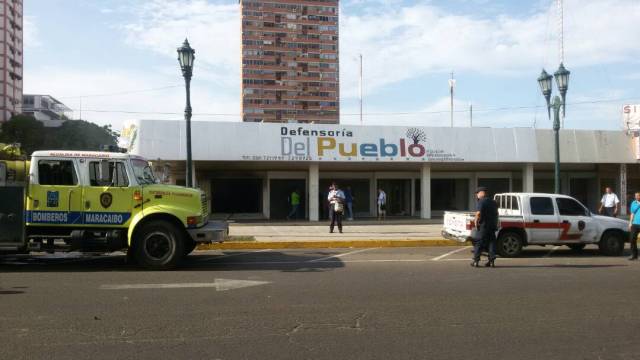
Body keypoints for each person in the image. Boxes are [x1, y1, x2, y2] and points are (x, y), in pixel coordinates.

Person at [471, 186, 499, 268]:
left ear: (482, 193)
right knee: (491, 243)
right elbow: (496, 214)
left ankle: (476, 261)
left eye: (477, 194)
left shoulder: (481, 201)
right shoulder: (494, 202)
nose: (476, 196)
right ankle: (491, 262)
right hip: (492, 226)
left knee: (478, 243)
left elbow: (478, 213)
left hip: (483, 226)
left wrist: (475, 221)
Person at [628, 192, 640, 260]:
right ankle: (634, 255)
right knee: (632, 239)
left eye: (638, 195)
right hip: (635, 223)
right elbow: (632, 213)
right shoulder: (633, 203)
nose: (637, 197)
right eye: (636, 196)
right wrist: (630, 223)